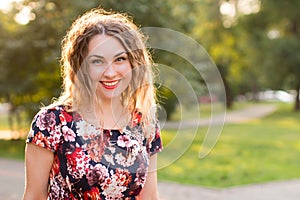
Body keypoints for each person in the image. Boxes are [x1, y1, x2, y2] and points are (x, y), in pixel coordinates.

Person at [23, 8, 162, 200]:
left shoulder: (144, 122)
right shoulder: (52, 122)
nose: (110, 72)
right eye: (98, 61)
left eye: (120, 59)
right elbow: (34, 196)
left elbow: (150, 196)